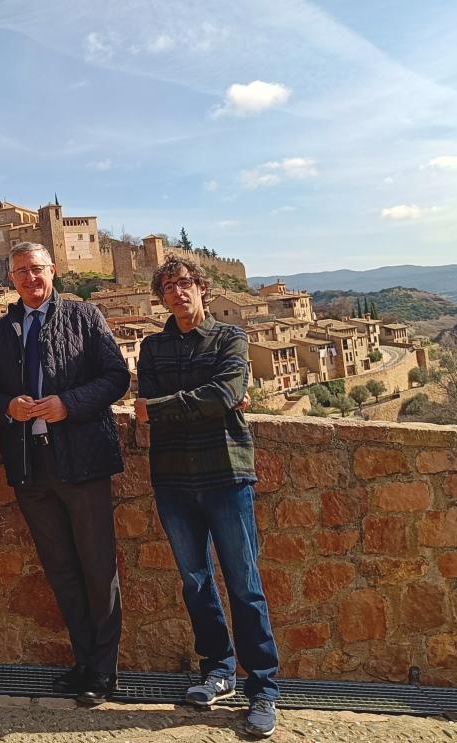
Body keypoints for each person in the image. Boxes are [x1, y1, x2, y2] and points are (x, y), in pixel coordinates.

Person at [0, 242, 130, 705]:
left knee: (97, 567)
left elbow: (116, 377)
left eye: (36, 269)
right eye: (20, 271)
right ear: (11, 280)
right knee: (61, 569)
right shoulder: (2, 330)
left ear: (54, 270)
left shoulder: (84, 316)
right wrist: (8, 405)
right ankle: (84, 663)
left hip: (81, 460)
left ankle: (103, 671)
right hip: (30, 467)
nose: (29, 277)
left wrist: (70, 403)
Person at [135, 257, 280, 738]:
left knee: (244, 584)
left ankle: (263, 688)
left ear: (202, 288)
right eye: (169, 287)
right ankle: (217, 671)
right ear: (161, 298)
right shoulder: (152, 348)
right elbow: (209, 399)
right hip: (172, 480)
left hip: (226, 475)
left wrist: (163, 406)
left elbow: (223, 393)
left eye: (185, 284)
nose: (178, 293)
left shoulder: (230, 338)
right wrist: (204, 400)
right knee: (196, 582)